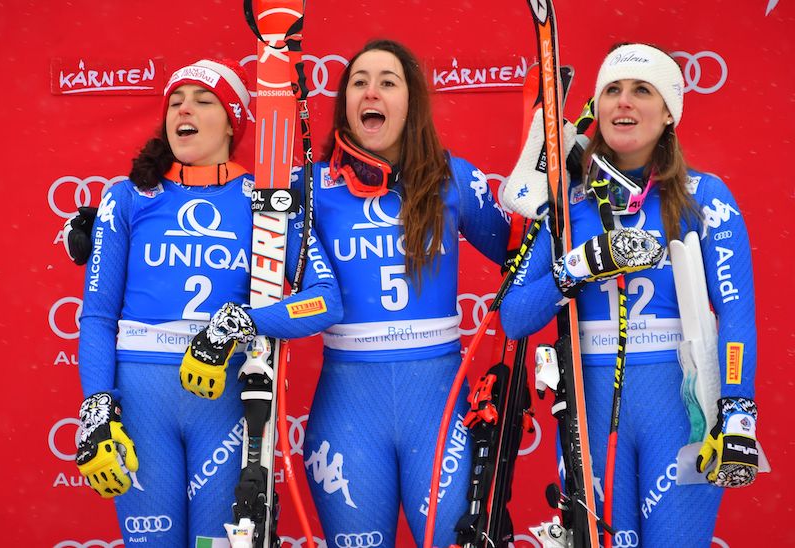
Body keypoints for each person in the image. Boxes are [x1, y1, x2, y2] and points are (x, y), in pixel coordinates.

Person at [73, 58, 342, 547]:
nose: (184, 109)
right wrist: (95, 407)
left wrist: (241, 322)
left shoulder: (266, 197)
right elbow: (96, 316)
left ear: (231, 120)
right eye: (175, 101)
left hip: (222, 406)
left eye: (201, 100)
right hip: (138, 403)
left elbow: (325, 302)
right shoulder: (128, 197)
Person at [500, 43, 760, 546]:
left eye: (642, 90)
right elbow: (513, 317)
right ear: (597, 108)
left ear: (668, 112)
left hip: (685, 409)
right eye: (612, 90)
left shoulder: (706, 196)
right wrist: (578, 266)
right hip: (590, 405)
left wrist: (738, 413)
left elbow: (736, 317)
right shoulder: (566, 201)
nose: (624, 102)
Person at [287, 39, 511, 547]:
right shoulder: (307, 187)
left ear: (411, 102)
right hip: (348, 408)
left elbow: (520, 264)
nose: (372, 91)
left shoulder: (454, 178)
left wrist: (550, 201)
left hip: (438, 404)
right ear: (345, 102)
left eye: (388, 82)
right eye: (359, 82)